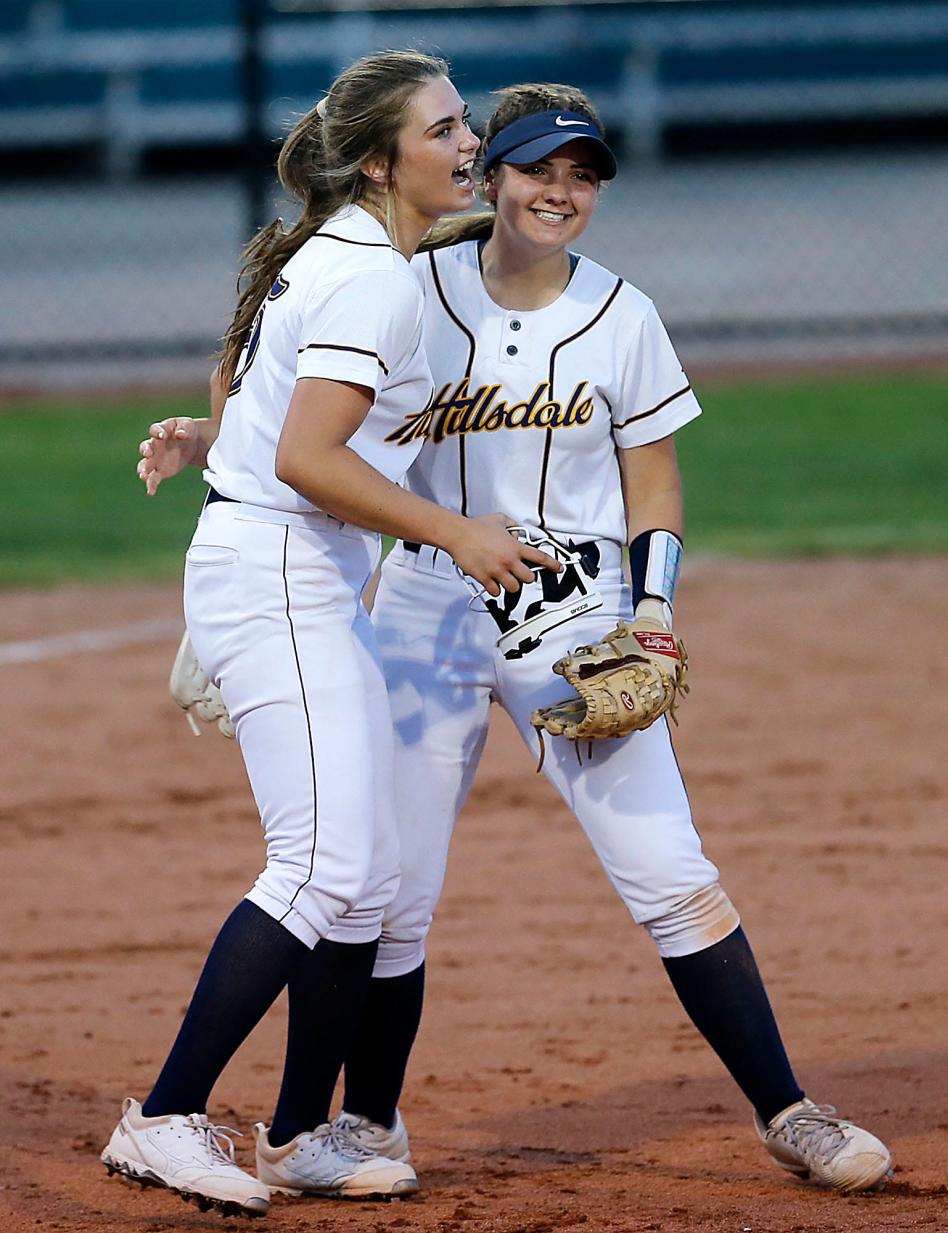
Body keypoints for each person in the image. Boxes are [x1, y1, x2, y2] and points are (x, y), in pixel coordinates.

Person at [137, 83, 894, 1199]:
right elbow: (295, 392)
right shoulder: (408, 282)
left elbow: (655, 480)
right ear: (489, 177)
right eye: (538, 167)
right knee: (380, 884)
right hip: (422, 604)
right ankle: (346, 1129)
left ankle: (791, 1112)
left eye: (582, 175)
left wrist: (655, 613)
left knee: (668, 866)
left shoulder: (622, 315)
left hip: (570, 617)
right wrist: (218, 433)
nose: (560, 191)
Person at [105, 52, 560, 1220]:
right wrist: (456, 533)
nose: (471, 145)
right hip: (283, 579)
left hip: (276, 566)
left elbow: (250, 382)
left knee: (367, 882)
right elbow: (311, 456)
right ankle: (161, 1119)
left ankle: (302, 1132)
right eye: (446, 130)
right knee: (324, 868)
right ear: (378, 160)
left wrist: (221, 443)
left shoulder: (344, 253)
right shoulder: (374, 281)